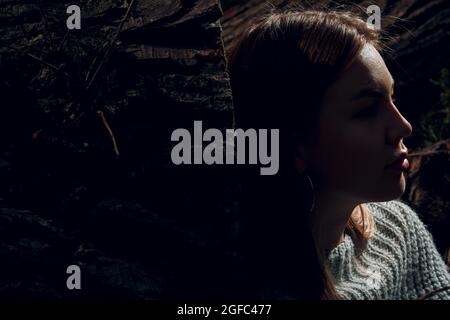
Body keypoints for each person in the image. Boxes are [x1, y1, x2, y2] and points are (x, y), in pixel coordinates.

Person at [227, 9, 450, 300]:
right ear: (296, 144)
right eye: (368, 110)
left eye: (392, 98)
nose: (403, 126)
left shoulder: (397, 231)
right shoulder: (242, 286)